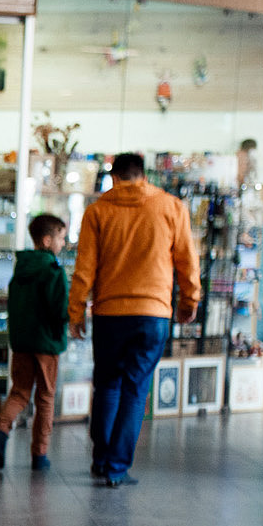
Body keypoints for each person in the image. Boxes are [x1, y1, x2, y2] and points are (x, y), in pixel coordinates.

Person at [68, 152, 199, 487]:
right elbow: (187, 261)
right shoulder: (171, 207)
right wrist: (189, 301)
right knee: (135, 389)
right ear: (144, 175)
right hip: (153, 313)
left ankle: (101, 458)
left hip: (110, 312)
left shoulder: (97, 211)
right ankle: (116, 468)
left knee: (107, 385)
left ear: (113, 177)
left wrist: (76, 310)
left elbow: (85, 268)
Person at [0, 214, 69, 472]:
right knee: (45, 397)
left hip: (21, 342)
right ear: (47, 240)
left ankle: (1, 430)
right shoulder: (54, 270)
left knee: (20, 392)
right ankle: (39, 454)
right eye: (61, 237)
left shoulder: (20, 269)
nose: (64, 243)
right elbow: (60, 309)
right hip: (47, 344)